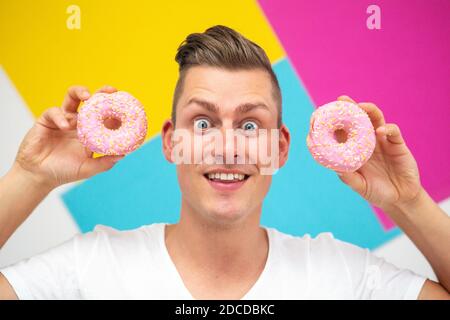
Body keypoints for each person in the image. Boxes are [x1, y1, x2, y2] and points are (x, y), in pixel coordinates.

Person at [0, 25, 448, 300]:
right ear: (171, 143)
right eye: (203, 122)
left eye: (251, 126)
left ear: (280, 147)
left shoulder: (343, 276)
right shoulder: (89, 267)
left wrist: (408, 201)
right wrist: (31, 177)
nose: (228, 146)